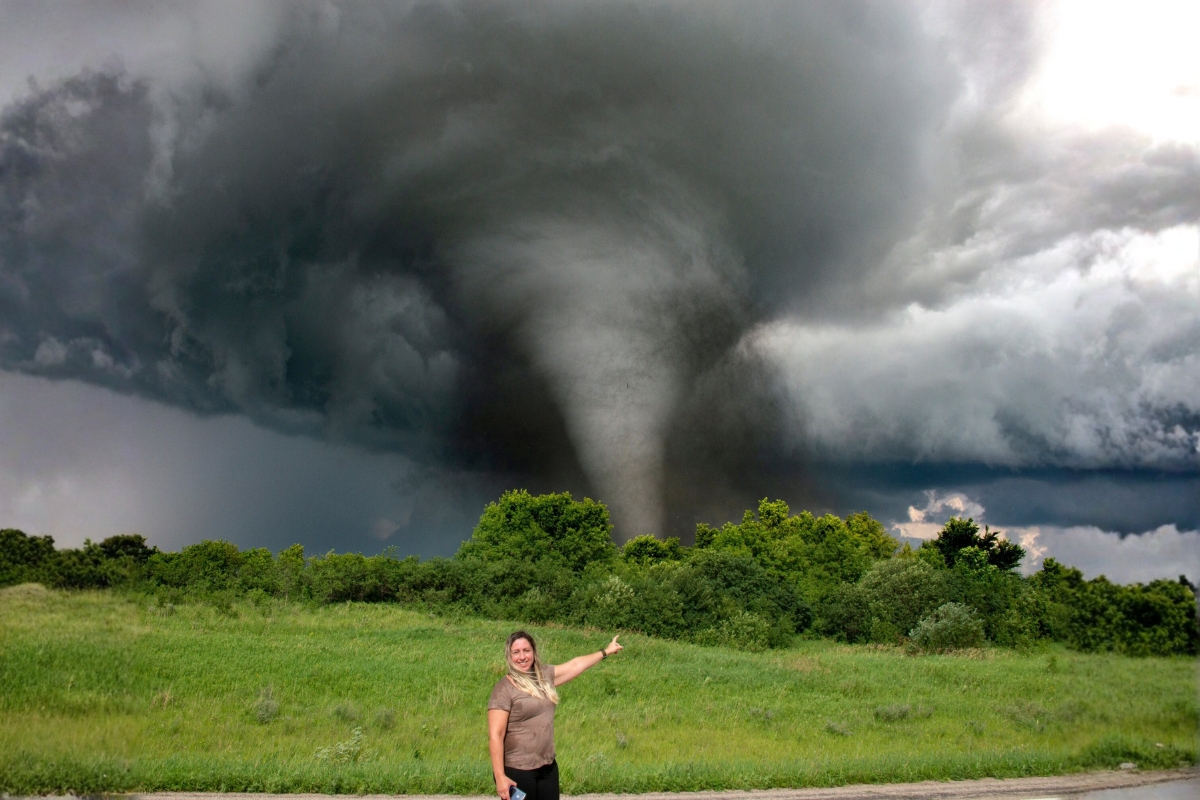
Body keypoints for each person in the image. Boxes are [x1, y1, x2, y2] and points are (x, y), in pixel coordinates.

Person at [487, 630, 622, 800]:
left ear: (533, 652)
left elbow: (576, 665)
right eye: (516, 652)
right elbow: (496, 735)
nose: (522, 657)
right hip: (517, 770)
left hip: (547, 767)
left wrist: (606, 651)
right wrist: (500, 777)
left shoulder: (545, 676)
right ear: (509, 655)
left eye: (526, 651)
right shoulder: (503, 689)